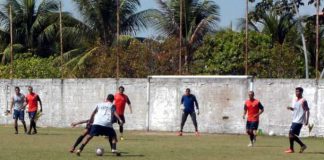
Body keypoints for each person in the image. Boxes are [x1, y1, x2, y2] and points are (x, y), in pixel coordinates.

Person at [285, 87, 309, 153]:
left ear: (301, 92)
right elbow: (296, 109)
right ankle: (292, 148)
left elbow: (307, 110)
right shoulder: (296, 100)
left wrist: (307, 120)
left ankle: (300, 146)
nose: (296, 93)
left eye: (298, 91)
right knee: (291, 135)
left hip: (299, 121)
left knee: (291, 134)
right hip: (294, 120)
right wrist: (291, 108)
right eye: (296, 91)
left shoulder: (303, 101)